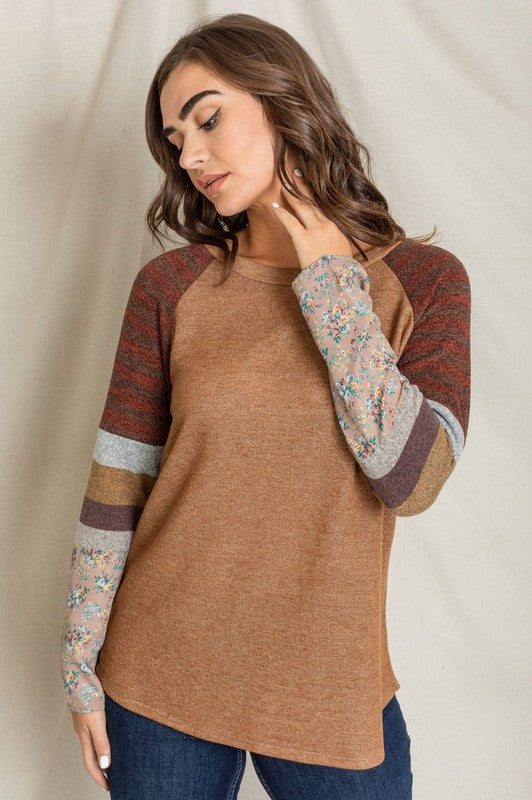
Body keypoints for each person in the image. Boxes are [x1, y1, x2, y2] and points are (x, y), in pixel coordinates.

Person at [59, 12, 471, 799]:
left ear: (285, 100)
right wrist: (81, 668)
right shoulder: (173, 288)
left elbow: (411, 479)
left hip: (331, 688)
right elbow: (118, 489)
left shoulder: (425, 282)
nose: (192, 154)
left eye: (208, 118)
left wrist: (329, 282)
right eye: (176, 140)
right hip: (157, 676)